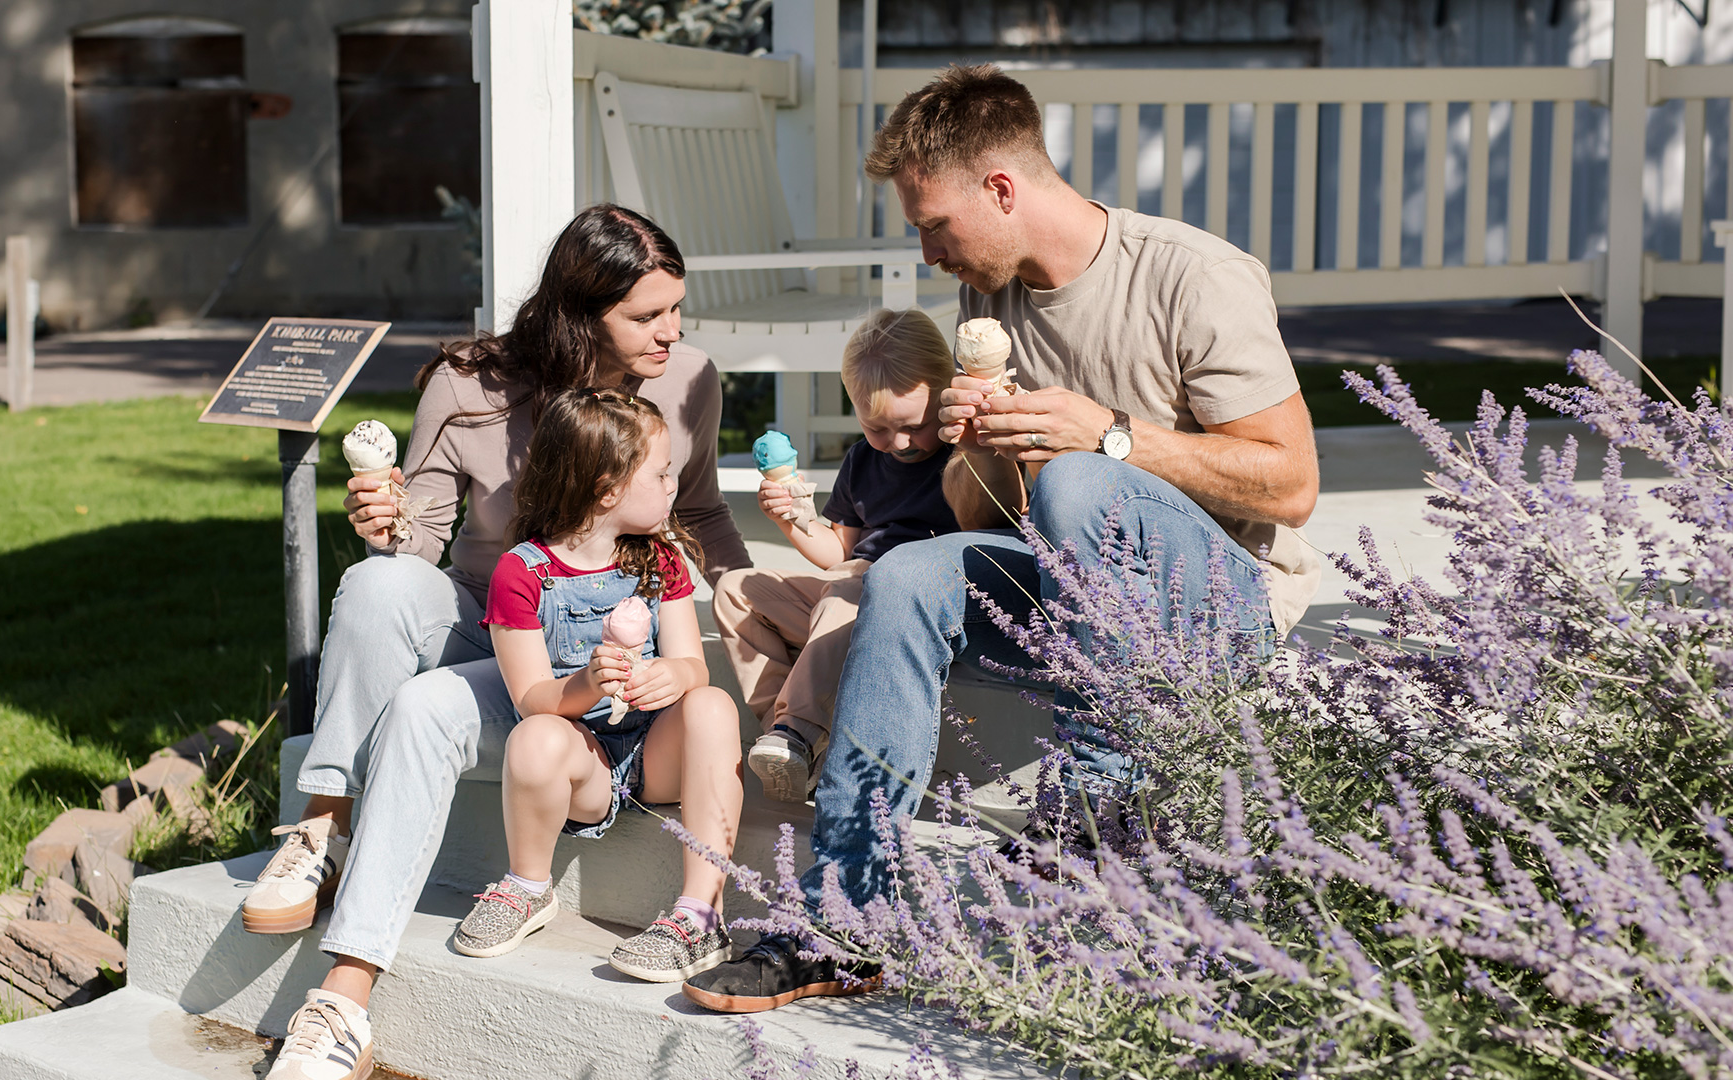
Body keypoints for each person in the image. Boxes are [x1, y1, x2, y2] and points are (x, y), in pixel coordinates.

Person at [683, 64, 1321, 1014]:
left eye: (935, 225)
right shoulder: (993, 302)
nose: (930, 253)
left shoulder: (1194, 276)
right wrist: (972, 446)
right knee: (902, 572)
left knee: (1078, 477)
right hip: (1063, 587)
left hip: (1218, 596)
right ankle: (847, 918)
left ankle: (1092, 808)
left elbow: (1294, 482)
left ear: (1003, 188)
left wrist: (1105, 436)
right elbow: (979, 518)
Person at [244, 205, 750, 1080]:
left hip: (615, 688)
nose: (672, 334)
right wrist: (383, 521)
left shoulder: (689, 379)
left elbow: (696, 509)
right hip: (496, 636)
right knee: (377, 584)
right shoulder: (467, 385)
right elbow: (420, 539)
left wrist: (751, 610)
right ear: (578, 313)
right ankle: (326, 841)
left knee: (425, 706)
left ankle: (348, 985)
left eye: (677, 309)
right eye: (646, 316)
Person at [456, 388, 743, 981]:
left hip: (656, 757)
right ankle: (527, 886)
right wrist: (588, 682)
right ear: (608, 488)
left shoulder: (659, 560)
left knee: (712, 705)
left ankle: (700, 915)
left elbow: (695, 665)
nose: (673, 485)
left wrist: (675, 675)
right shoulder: (523, 572)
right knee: (534, 736)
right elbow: (533, 699)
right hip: (582, 765)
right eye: (662, 474)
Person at [712, 308, 965, 803]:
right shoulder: (862, 461)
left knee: (843, 595)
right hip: (848, 593)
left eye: (915, 426)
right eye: (877, 428)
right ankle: (791, 741)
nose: (898, 444)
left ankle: (799, 730)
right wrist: (790, 519)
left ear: (946, 395)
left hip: (911, 605)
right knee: (734, 591)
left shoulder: (962, 457)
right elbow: (838, 552)